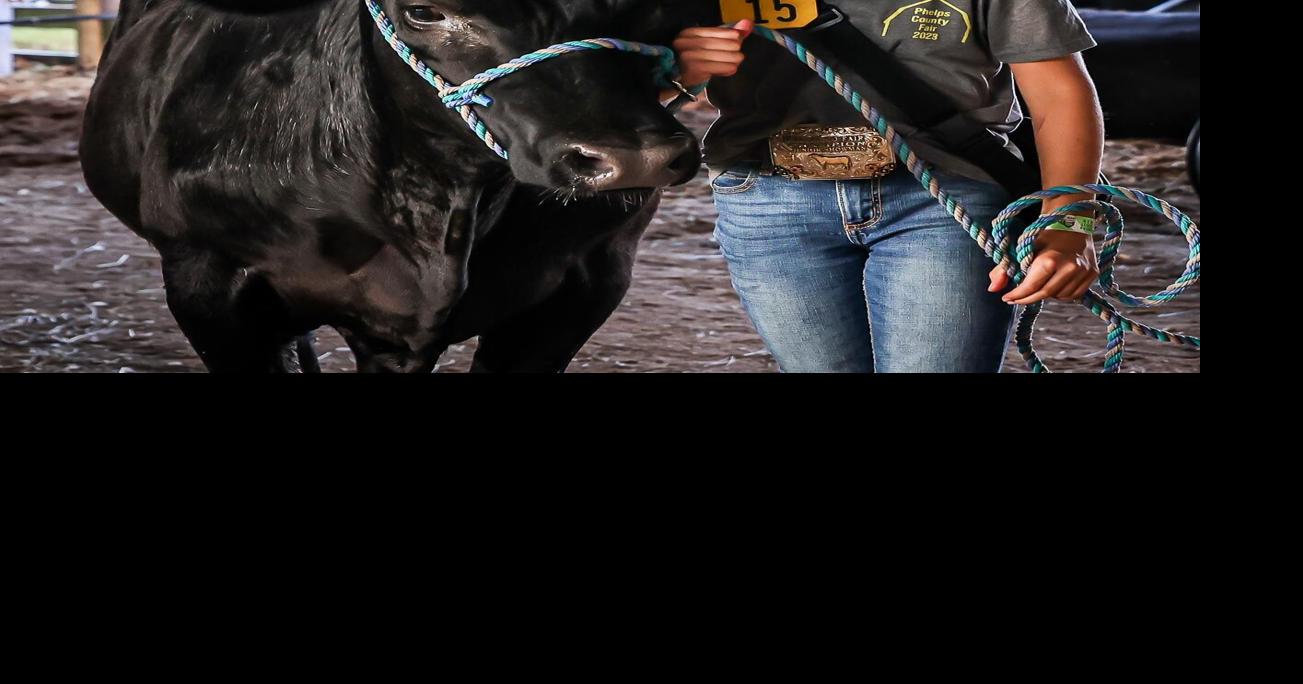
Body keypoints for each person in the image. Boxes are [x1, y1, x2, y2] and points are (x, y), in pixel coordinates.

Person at [664, 1, 1104, 373]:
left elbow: (1059, 96)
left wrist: (1070, 222)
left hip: (944, 202)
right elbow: (617, 77)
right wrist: (680, 70)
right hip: (770, 200)